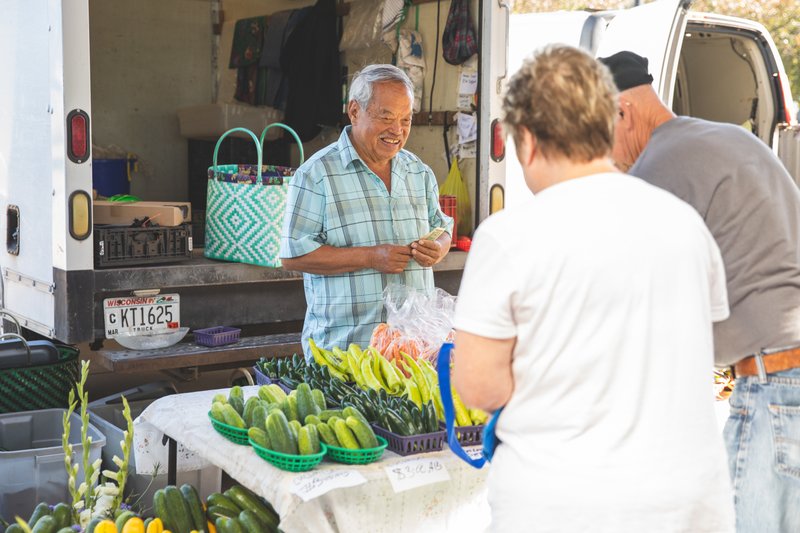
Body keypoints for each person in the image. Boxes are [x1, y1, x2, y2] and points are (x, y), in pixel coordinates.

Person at [452, 44, 734, 532]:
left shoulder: (506, 237)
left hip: (564, 506)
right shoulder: (685, 224)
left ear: (529, 141)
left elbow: (478, 387)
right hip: (689, 506)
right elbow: (698, 346)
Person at [599, 50, 800, 533]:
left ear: (622, 111)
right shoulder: (726, 136)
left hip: (775, 389)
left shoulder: (658, 167)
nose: (605, 154)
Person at [280, 64, 453, 359]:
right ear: (354, 111)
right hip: (345, 353)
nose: (397, 130)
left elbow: (443, 228)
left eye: (406, 119)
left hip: (413, 354)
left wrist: (437, 247)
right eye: (385, 117)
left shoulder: (418, 172)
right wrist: (371, 257)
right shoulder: (316, 175)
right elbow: (292, 255)